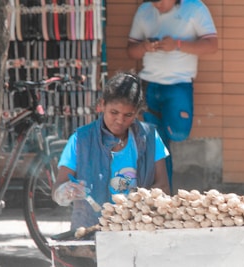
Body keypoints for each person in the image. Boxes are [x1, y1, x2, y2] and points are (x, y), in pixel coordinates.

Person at [51, 71, 171, 266]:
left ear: (137, 112)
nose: (120, 120)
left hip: (138, 234)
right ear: (102, 105)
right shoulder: (80, 140)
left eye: (128, 115)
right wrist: (66, 191)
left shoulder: (149, 138)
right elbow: (57, 191)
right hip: (90, 236)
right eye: (113, 112)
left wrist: (137, 202)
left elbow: (164, 187)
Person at [126, 0, 218, 190]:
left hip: (179, 85)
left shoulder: (195, 8)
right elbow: (131, 50)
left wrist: (177, 44)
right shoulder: (145, 10)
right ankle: (163, 195)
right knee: (155, 146)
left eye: (159, 1)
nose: (156, 5)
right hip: (148, 85)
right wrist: (145, 46)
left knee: (178, 133)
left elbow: (211, 45)